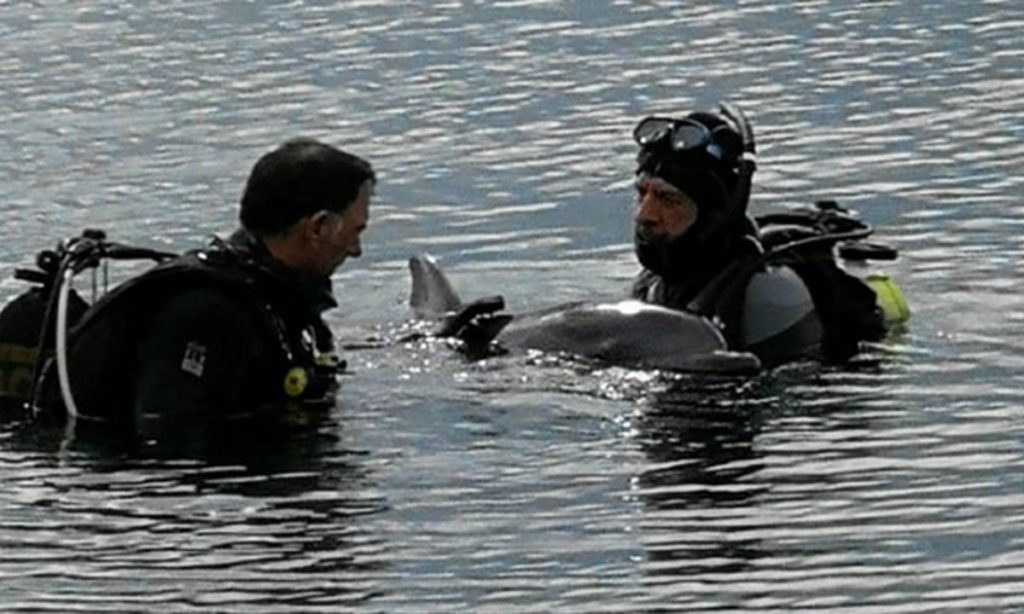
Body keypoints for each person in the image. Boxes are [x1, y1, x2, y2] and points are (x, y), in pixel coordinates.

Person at [30, 137, 374, 442]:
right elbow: (167, 439)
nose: (356, 249)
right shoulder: (209, 313)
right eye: (355, 232)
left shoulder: (271, 300)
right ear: (317, 228)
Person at [629, 102, 892, 365]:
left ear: (714, 215)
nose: (644, 214)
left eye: (668, 199)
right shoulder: (656, 282)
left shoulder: (767, 295)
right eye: (642, 193)